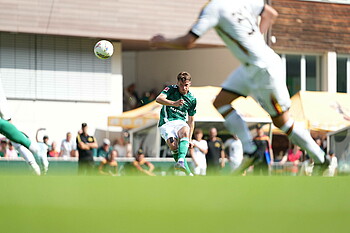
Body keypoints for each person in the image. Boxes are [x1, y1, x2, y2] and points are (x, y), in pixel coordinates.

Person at [150, 0, 328, 175]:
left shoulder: (214, 7)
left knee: (283, 122)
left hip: (263, 69)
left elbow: (188, 41)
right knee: (221, 102)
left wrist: (162, 41)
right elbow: (270, 14)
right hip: (251, 66)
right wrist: (257, 41)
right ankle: (250, 151)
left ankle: (321, 159)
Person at [156, 71, 196, 176]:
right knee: (173, 146)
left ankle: (181, 162)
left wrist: (190, 138)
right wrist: (174, 103)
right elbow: (158, 99)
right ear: (178, 83)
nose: (184, 88)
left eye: (186, 85)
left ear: (190, 84)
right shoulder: (170, 89)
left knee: (185, 131)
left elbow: (191, 120)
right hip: (166, 122)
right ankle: (188, 173)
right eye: (181, 85)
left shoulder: (192, 99)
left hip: (180, 122)